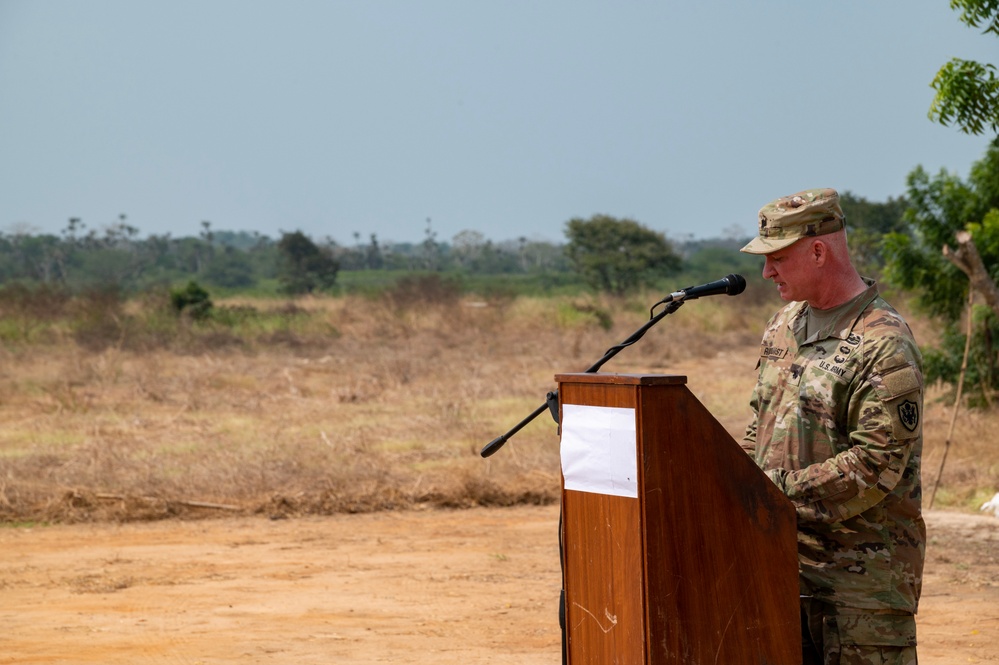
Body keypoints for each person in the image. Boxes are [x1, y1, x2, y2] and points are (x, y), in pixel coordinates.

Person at [739, 188, 925, 665]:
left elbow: (875, 465)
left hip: (860, 590)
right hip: (779, 571)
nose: (766, 272)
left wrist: (769, 494)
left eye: (777, 258)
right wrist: (736, 480)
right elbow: (758, 427)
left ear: (818, 250)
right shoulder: (783, 324)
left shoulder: (882, 342)